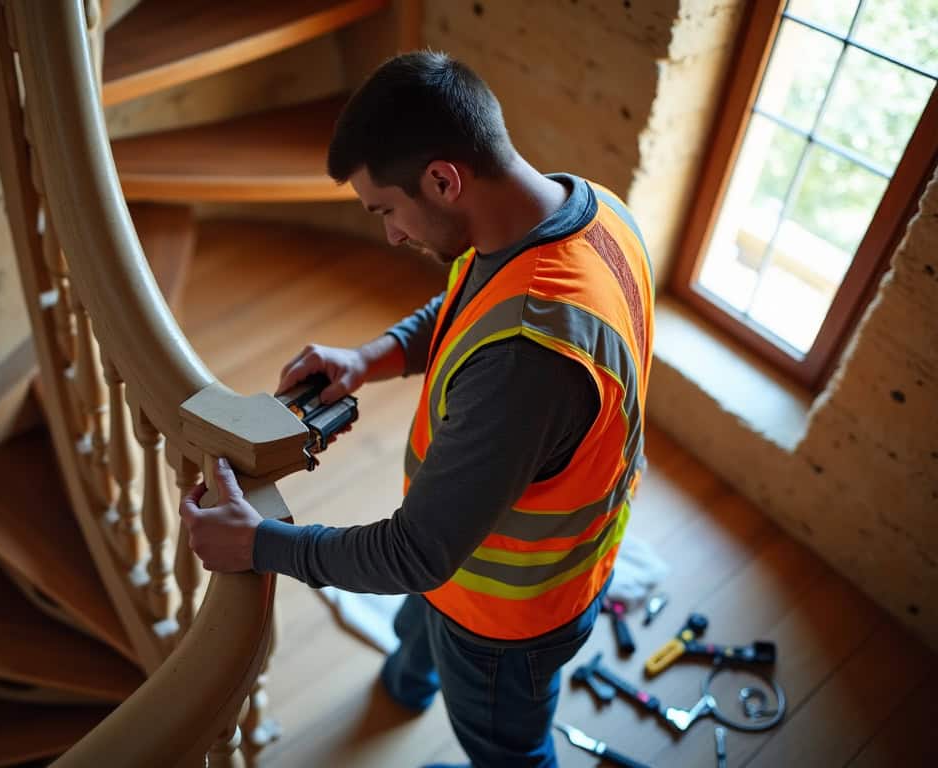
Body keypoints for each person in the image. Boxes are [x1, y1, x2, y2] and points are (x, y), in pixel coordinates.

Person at [179, 50, 654, 768]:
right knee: (420, 626)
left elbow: (416, 553)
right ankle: (411, 680)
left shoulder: (529, 358)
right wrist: (370, 358)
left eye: (387, 211)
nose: (390, 234)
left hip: (506, 614)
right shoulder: (583, 209)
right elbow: (471, 293)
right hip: (474, 567)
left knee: (507, 750)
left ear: (443, 178)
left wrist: (258, 545)